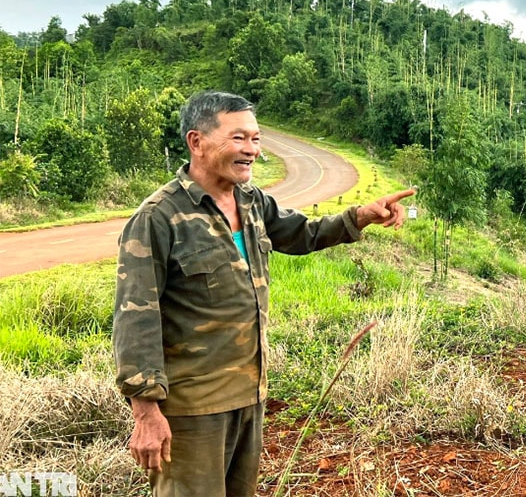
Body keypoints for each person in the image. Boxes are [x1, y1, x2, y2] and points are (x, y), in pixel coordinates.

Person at [112, 90, 415, 496]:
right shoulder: (158, 218)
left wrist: (362, 215)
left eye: (255, 138)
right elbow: (136, 315)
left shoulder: (251, 201)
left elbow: (303, 233)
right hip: (193, 410)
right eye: (238, 138)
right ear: (196, 142)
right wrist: (146, 412)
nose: (252, 149)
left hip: (250, 397)